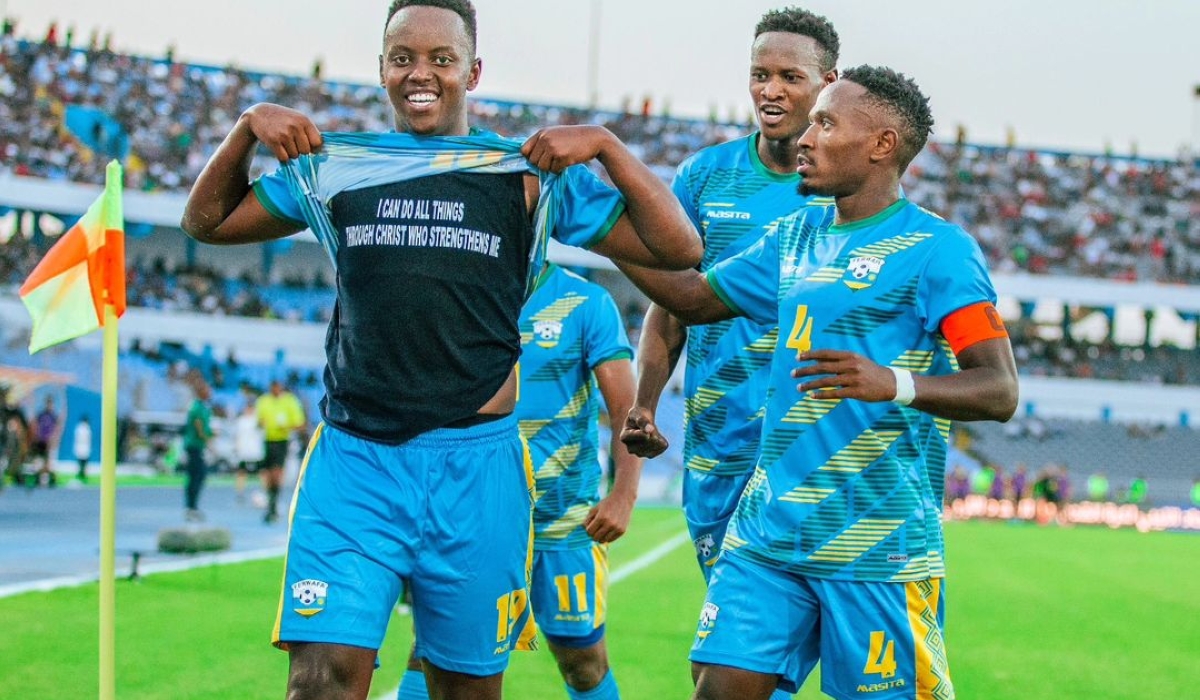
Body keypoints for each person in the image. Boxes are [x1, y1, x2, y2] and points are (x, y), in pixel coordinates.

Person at [179, 2, 699, 698]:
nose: (420, 74)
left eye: (441, 59)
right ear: (382, 69)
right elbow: (205, 223)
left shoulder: (525, 175)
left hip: (478, 467)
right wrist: (246, 130)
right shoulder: (335, 168)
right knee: (320, 681)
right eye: (402, 58)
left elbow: (680, 247)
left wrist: (605, 145)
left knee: (465, 688)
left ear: (473, 71)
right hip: (356, 463)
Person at [618, 66, 1018, 699]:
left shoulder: (938, 250)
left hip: (875, 545)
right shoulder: (796, 235)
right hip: (768, 531)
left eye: (826, 122)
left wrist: (895, 383)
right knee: (718, 687)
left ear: (882, 145)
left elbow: (998, 390)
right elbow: (691, 298)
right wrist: (594, 226)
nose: (805, 135)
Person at [627, 8, 838, 594]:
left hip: (810, 446)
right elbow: (670, 303)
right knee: (727, 646)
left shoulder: (847, 191)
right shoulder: (703, 177)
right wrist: (645, 402)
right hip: (718, 444)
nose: (770, 91)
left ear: (828, 83)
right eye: (759, 74)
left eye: (790, 77)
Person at [399, 263, 642, 700]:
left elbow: (627, 407)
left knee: (582, 662)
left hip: (566, 521)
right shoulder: (459, 289)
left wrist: (623, 494)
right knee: (433, 651)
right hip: (473, 513)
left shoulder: (586, 302)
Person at [254, 380, 304, 523]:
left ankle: (272, 505)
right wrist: (262, 423)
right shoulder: (263, 401)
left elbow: (299, 423)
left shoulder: (290, 401)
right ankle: (271, 503)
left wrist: (286, 427)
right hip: (266, 441)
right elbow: (258, 422)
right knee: (267, 475)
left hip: (282, 441)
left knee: (277, 474)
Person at [182, 379, 213, 522]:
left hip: (198, 446)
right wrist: (208, 442)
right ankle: (190, 507)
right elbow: (199, 427)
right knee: (196, 476)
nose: (210, 393)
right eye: (207, 390)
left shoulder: (203, 407)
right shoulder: (196, 407)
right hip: (194, 446)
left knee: (199, 476)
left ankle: (192, 507)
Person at [232, 398, 266, 504]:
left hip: (256, 452)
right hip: (244, 452)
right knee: (241, 473)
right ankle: (240, 494)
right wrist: (237, 449)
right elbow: (237, 436)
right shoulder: (240, 421)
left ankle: (266, 492)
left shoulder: (258, 420)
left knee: (262, 473)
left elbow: (263, 430)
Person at [30, 395, 61, 487]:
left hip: (49, 442)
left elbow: (56, 429)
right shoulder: (41, 415)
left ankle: (49, 480)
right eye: (48, 403)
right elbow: (36, 426)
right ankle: (38, 478)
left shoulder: (53, 416)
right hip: (41, 442)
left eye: (51, 404)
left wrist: (54, 440)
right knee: (39, 461)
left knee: (49, 462)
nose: (49, 405)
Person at [73, 414, 93, 483]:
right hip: (83, 448)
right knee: (82, 464)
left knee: (81, 464)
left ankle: (81, 476)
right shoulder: (86, 428)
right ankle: (81, 476)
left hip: (81, 448)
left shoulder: (79, 428)